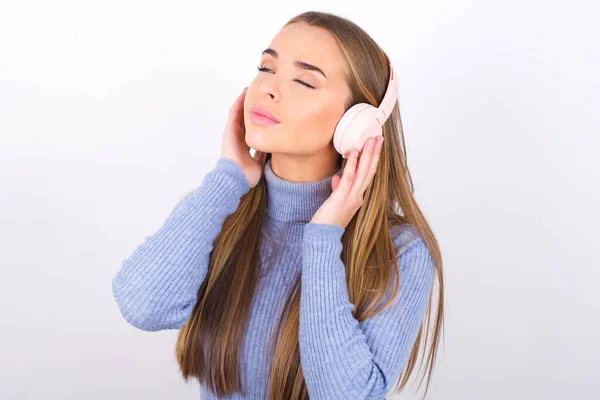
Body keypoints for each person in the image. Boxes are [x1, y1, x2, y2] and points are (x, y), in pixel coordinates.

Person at [112, 10, 444, 400]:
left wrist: (323, 239)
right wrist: (226, 178)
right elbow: (142, 306)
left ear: (358, 124)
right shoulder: (219, 208)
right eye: (266, 68)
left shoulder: (400, 250)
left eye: (304, 80)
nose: (268, 88)